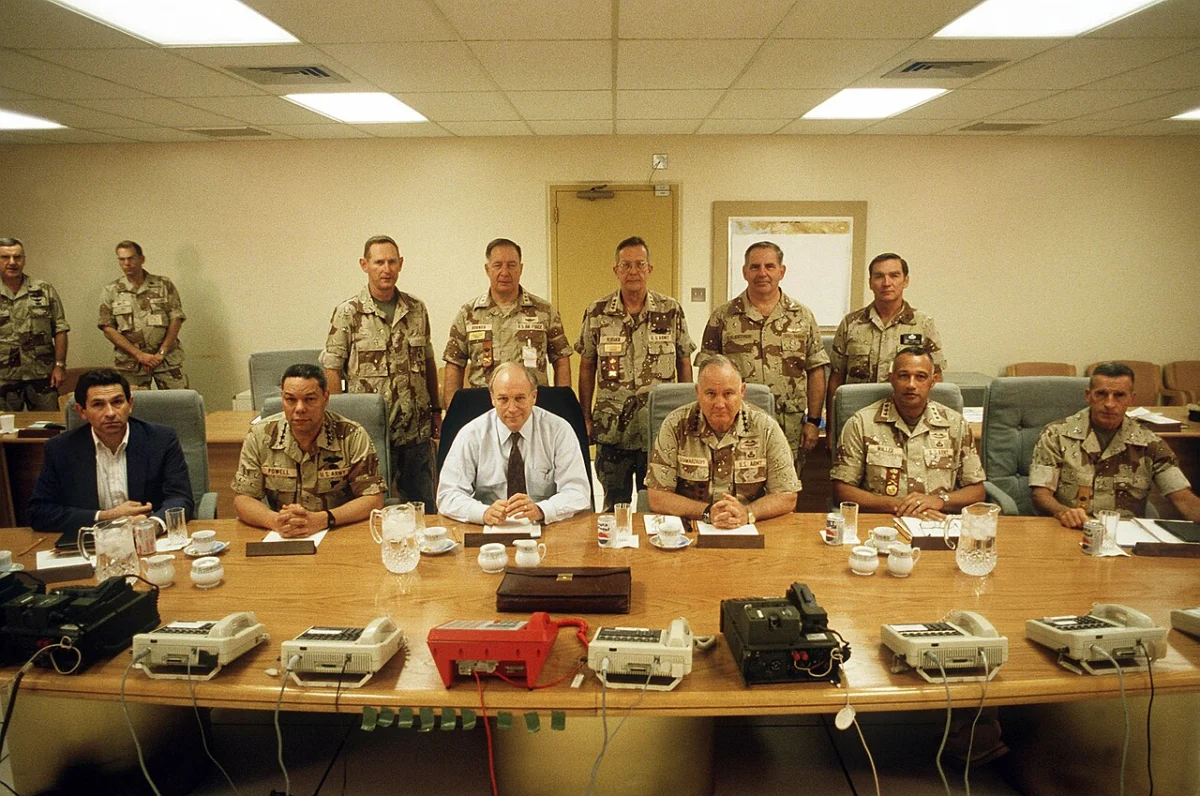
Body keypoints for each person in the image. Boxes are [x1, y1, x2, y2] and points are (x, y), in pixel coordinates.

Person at [320, 235, 440, 507]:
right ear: (364, 265)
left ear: (400, 264)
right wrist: (340, 422)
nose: (386, 269)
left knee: (422, 507)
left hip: (415, 432)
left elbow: (428, 361)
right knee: (369, 508)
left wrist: (436, 410)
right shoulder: (348, 313)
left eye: (392, 262)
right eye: (379, 262)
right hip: (370, 433)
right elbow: (332, 369)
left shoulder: (416, 309)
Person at [576, 236, 695, 510]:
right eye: (626, 265)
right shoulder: (597, 312)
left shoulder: (670, 310)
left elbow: (684, 362)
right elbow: (586, 365)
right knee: (613, 505)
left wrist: (689, 413)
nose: (633, 272)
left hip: (659, 431)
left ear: (649, 269)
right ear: (615, 270)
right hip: (612, 430)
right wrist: (585, 417)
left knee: (656, 506)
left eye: (640, 264)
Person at [697, 241, 827, 474]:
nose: (762, 273)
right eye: (755, 267)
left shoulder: (802, 316)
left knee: (785, 491)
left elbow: (816, 370)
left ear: (781, 271)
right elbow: (707, 373)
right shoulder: (723, 317)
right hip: (736, 425)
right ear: (745, 272)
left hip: (790, 426)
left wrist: (813, 422)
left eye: (769, 266)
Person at [1031, 361, 1200, 526]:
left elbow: (1182, 497)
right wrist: (1063, 512)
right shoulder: (1055, 434)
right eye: (1101, 394)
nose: (1110, 404)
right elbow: (1041, 494)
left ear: (1131, 399)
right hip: (1071, 529)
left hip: (1124, 536)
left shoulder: (1150, 443)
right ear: (1088, 396)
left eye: (1119, 395)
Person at [28, 368, 193, 536]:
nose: (110, 413)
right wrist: (108, 516)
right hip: (91, 543)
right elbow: (39, 512)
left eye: (117, 402)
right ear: (82, 411)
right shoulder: (61, 449)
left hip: (149, 541)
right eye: (98, 404)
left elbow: (180, 498)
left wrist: (151, 526)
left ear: (130, 404)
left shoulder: (161, 440)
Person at [645, 355, 800, 529]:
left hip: (747, 527)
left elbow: (787, 495)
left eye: (728, 394)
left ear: (742, 391)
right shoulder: (675, 425)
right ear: (698, 392)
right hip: (691, 528)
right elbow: (657, 497)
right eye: (711, 394)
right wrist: (706, 512)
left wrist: (747, 513)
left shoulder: (766, 428)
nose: (719, 403)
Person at [232, 364, 385, 537]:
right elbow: (243, 499)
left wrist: (323, 519)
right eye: (290, 400)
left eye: (310, 399)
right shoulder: (260, 436)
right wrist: (275, 521)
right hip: (282, 535)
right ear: (282, 398)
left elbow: (373, 498)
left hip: (338, 531)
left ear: (325, 398)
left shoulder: (352, 435)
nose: (299, 408)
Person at [831, 346, 985, 517]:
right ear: (891, 379)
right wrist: (898, 506)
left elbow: (976, 490)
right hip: (882, 522)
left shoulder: (956, 425)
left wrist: (939, 500)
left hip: (938, 522)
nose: (911, 385)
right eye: (904, 376)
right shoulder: (861, 423)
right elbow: (842, 490)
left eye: (920, 377)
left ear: (933, 381)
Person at [437, 362, 590, 526]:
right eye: (503, 399)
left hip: (547, 528)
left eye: (520, 398)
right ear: (492, 399)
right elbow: (447, 494)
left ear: (534, 397)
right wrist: (482, 512)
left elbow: (578, 492)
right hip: (489, 532)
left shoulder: (559, 430)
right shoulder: (472, 434)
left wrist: (542, 510)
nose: (512, 408)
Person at [442, 238, 571, 411]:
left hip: (532, 407)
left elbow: (561, 360)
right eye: (498, 265)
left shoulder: (544, 311)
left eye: (511, 265)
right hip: (482, 409)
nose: (505, 272)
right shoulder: (468, 313)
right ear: (487, 269)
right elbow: (454, 364)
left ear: (521, 269)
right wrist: (454, 412)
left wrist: (560, 406)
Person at [826, 252, 945, 440]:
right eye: (879, 276)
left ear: (906, 281)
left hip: (905, 423)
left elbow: (935, 378)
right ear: (870, 282)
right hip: (855, 423)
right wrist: (832, 428)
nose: (886, 282)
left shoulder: (923, 324)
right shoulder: (851, 323)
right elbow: (836, 378)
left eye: (894, 275)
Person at [97, 240, 188, 389]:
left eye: (131, 258)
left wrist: (161, 352)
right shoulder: (111, 290)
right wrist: (139, 355)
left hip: (166, 360)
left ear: (141, 259)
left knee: (180, 404)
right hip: (131, 363)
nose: (127, 263)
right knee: (133, 407)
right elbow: (107, 328)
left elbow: (176, 319)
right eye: (122, 259)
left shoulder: (164, 284)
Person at [0, 237, 69, 411]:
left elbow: (60, 329)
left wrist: (59, 366)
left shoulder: (43, 290)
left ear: (24, 260)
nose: (12, 262)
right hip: (4, 377)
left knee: (49, 428)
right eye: (5, 257)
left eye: (17, 257)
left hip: (42, 375)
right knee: (4, 430)